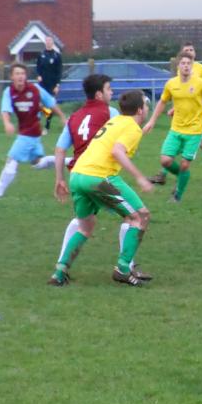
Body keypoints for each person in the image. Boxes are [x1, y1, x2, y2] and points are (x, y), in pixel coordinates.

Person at [48, 90, 154, 287]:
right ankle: (123, 269)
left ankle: (60, 272)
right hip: (98, 177)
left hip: (77, 175)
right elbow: (117, 151)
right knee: (140, 216)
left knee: (85, 227)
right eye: (146, 106)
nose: (147, 109)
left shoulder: (115, 121)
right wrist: (140, 177)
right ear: (140, 110)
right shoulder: (132, 126)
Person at [143, 52, 202, 203]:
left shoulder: (200, 83)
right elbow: (162, 102)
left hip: (194, 131)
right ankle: (182, 177)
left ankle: (177, 195)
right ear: (178, 66)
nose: (186, 66)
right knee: (165, 161)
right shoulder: (171, 84)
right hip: (176, 129)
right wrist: (152, 121)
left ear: (191, 66)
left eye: (188, 63)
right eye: (183, 63)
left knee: (185, 164)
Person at [0, 63, 66, 198]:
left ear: (26, 76)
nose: (20, 76)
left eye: (22, 73)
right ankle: (69, 161)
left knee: (12, 159)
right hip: (28, 132)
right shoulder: (9, 92)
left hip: (30, 132)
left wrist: (63, 117)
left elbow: (51, 103)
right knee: (38, 163)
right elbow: (5, 110)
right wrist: (7, 123)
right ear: (11, 76)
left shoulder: (35, 89)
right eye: (17, 74)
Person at [36, 36, 63, 134]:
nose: (48, 42)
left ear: (52, 43)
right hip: (42, 85)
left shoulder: (56, 55)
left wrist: (57, 85)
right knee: (39, 106)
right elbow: (38, 67)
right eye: (46, 41)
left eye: (50, 41)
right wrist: (38, 75)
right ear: (45, 43)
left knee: (49, 106)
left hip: (52, 85)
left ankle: (46, 127)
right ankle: (37, 126)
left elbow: (59, 71)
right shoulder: (41, 55)